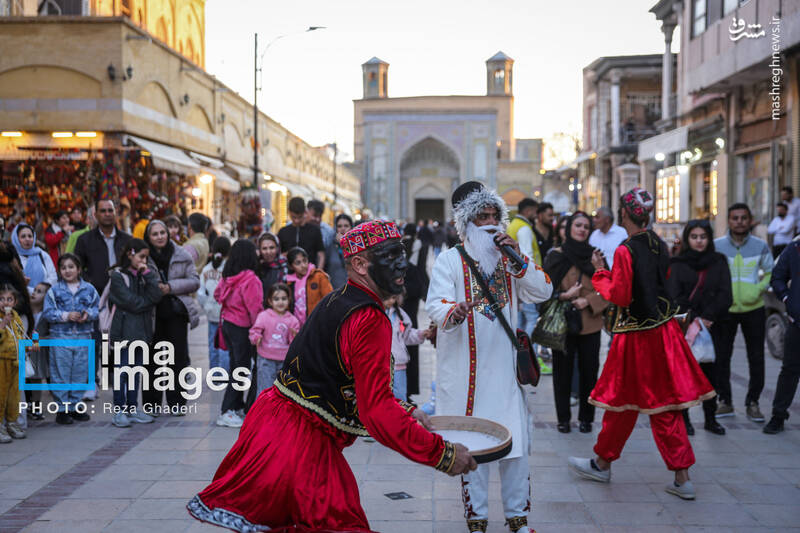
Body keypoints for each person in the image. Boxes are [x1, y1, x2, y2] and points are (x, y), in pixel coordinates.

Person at [188, 220, 476, 532]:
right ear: (360, 264)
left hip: (276, 425)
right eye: (390, 256)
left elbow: (344, 384)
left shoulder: (338, 300)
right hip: (298, 443)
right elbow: (375, 410)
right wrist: (442, 454)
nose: (401, 264)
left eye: (401, 254)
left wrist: (405, 410)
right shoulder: (367, 318)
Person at [567, 187, 714, 502]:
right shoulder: (660, 244)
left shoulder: (625, 250)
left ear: (623, 213)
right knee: (649, 404)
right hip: (663, 331)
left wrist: (600, 272)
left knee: (632, 402)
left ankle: (609, 464)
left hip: (635, 337)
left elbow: (619, 295)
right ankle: (671, 475)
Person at [426, 181, 552, 533]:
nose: (492, 222)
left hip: (506, 374)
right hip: (468, 378)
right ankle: (477, 519)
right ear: (467, 223)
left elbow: (544, 291)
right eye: (483, 216)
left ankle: (518, 517)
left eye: (496, 215)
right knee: (473, 450)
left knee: (517, 447)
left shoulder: (510, 263)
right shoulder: (450, 261)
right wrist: (456, 310)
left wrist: (519, 260)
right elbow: (435, 305)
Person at [543, 212, 608, 434]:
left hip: (590, 322)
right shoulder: (556, 256)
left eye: (586, 227)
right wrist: (564, 296)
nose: (582, 230)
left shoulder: (596, 256)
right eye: (578, 225)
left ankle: (586, 419)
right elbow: (543, 291)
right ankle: (563, 418)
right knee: (562, 372)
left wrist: (588, 300)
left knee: (590, 371)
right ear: (569, 228)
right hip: (562, 321)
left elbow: (608, 289)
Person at [666, 219, 732, 436]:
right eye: (694, 237)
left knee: (713, 374)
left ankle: (711, 418)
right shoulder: (677, 264)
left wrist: (708, 317)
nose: (699, 241)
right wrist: (694, 319)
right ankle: (685, 418)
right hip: (686, 330)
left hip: (714, 327)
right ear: (687, 239)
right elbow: (674, 297)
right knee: (684, 376)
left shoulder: (719, 261)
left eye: (703, 237)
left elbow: (726, 294)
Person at [713, 203, 773, 422]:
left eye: (743, 218)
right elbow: (711, 275)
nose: (739, 222)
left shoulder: (760, 246)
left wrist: (757, 290)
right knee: (722, 357)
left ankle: (753, 402)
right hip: (725, 310)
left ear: (750, 220)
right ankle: (724, 401)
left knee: (756, 357)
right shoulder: (717, 246)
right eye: (735, 218)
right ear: (728, 221)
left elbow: (770, 273)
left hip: (754, 308)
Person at [142, 220, 201, 416]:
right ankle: (152, 404)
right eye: (155, 234)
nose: (160, 237)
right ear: (148, 238)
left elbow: (194, 281)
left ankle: (177, 402)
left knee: (178, 360)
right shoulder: (143, 257)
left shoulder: (181, 254)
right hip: (151, 315)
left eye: (162, 233)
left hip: (176, 314)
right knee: (152, 361)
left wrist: (170, 287)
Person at [107, 239, 163, 428]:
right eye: (141, 257)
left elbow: (156, 295)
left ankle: (132, 408)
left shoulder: (143, 275)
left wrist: (146, 274)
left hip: (142, 332)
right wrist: (147, 302)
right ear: (130, 254)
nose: (143, 261)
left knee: (135, 372)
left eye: (146, 257)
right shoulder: (117, 276)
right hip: (123, 332)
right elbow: (131, 301)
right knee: (122, 371)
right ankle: (119, 410)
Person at [41, 254, 99, 425]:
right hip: (61, 337)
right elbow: (48, 313)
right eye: (64, 267)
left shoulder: (89, 289)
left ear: (79, 269)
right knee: (61, 373)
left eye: (71, 266)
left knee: (80, 372)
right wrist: (66, 315)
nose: (68, 270)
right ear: (60, 271)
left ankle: (74, 405)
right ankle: (62, 408)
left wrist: (88, 315)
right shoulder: (54, 291)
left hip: (83, 336)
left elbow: (97, 309)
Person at [214, 239, 263, 428]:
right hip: (243, 327)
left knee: (236, 365)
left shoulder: (228, 277)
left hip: (228, 324)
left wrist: (231, 306)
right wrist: (258, 331)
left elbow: (218, 295)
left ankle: (237, 405)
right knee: (241, 369)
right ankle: (227, 410)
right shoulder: (251, 279)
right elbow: (255, 308)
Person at [764, 238, 800, 434]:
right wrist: (788, 298)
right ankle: (778, 415)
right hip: (797, 324)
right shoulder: (795, 248)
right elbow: (777, 277)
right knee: (789, 371)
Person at [249, 283, 300, 394]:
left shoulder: (293, 320)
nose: (280, 302)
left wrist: (294, 336)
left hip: (284, 361)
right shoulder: (264, 316)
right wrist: (257, 337)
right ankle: (263, 411)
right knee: (265, 390)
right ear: (270, 301)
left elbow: (294, 343)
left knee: (282, 392)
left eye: (284, 298)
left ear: (289, 300)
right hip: (266, 359)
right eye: (276, 299)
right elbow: (254, 331)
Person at [74, 199, 132, 295]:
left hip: (124, 292)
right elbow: (77, 267)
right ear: (96, 215)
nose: (107, 214)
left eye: (110, 210)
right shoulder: (84, 240)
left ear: (115, 213)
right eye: (103, 211)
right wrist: (90, 282)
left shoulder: (127, 240)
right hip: (96, 295)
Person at [386, 292, 432, 402]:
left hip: (398, 365)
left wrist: (420, 334)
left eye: (393, 297)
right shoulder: (373, 313)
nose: (391, 301)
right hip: (379, 365)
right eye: (387, 297)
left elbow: (406, 335)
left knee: (399, 396)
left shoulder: (400, 315)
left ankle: (399, 417)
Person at [199, 237, 231, 375]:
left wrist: (206, 307)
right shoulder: (230, 268)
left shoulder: (206, 269)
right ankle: (224, 373)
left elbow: (201, 293)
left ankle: (214, 374)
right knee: (225, 346)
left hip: (211, 313)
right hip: (226, 314)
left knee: (213, 344)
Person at [0, 285, 27, 443]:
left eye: (9, 299)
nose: (5, 302)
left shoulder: (15, 315)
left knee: (13, 395)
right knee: (1, 394)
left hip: (16, 360)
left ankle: (11, 421)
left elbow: (20, 332)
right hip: (1, 360)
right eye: (1, 299)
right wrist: (3, 324)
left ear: (15, 302)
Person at [286, 246, 333, 326]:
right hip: (297, 326)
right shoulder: (289, 282)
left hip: (316, 323)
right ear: (291, 266)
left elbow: (330, 300)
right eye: (298, 263)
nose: (303, 265)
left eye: (305, 261)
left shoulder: (319, 276)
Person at [277, 197, 325, 269]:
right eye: (293, 217)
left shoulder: (315, 230)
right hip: (288, 274)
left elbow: (321, 254)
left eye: (299, 217)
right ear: (289, 212)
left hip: (310, 273)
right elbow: (277, 253)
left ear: (305, 212)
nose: (296, 221)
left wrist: (318, 272)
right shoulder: (283, 232)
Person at [12, 224, 57, 291]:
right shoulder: (13, 258)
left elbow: (53, 277)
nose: (27, 239)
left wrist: (39, 291)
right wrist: (30, 291)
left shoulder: (42, 254)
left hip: (44, 297)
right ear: (16, 239)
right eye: (23, 236)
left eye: (30, 236)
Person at [256, 232, 287, 306]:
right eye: (264, 248)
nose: (268, 252)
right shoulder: (256, 267)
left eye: (272, 248)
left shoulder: (286, 266)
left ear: (277, 248)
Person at [325, 213, 352, 289]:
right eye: (339, 226)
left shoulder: (356, 246)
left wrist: (344, 245)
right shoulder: (330, 246)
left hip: (352, 290)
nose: (343, 229)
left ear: (351, 227)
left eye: (346, 226)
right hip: (334, 291)